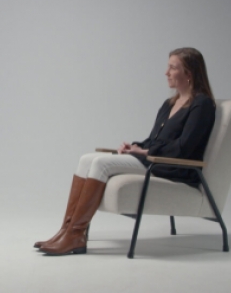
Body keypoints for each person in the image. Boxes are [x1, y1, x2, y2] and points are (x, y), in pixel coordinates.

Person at [36, 47, 215, 255]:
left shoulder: (201, 105)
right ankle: (66, 231)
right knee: (86, 159)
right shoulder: (170, 104)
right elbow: (154, 139)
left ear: (189, 73)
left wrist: (146, 152)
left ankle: (75, 235)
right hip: (154, 159)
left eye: (172, 68)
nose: (166, 72)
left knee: (101, 164)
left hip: (172, 167)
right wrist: (135, 147)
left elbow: (184, 147)